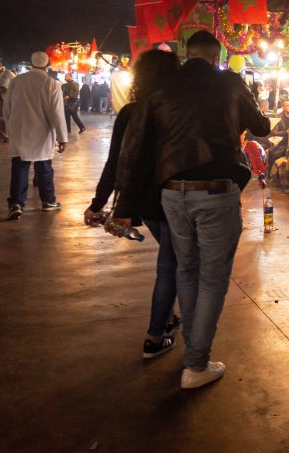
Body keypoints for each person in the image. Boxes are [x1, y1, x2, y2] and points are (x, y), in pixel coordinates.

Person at [110, 30, 270, 389]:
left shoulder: (162, 88)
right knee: (212, 277)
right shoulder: (231, 82)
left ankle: (194, 353)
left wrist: (123, 204)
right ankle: (196, 364)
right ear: (216, 57)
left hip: (171, 193)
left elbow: (132, 149)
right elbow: (263, 126)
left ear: (186, 55)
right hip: (215, 192)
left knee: (186, 269)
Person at [84, 49, 182, 359]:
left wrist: (97, 203)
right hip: (174, 196)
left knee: (171, 259)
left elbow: (116, 163)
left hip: (143, 201)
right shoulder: (177, 110)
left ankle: (167, 317)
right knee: (171, 264)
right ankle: (155, 336)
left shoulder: (130, 112)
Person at [3, 52, 67, 220]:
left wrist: (10, 128)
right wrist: (62, 137)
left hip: (20, 130)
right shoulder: (51, 84)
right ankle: (48, 201)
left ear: (31, 63)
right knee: (44, 167)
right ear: (47, 65)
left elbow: (6, 108)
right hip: (43, 132)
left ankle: (16, 203)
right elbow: (57, 114)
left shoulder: (16, 81)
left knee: (19, 167)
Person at [0, 58, 16, 142]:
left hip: (5, 97)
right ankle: (1, 135)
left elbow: (9, 84)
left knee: (3, 117)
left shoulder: (7, 73)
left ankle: (6, 136)